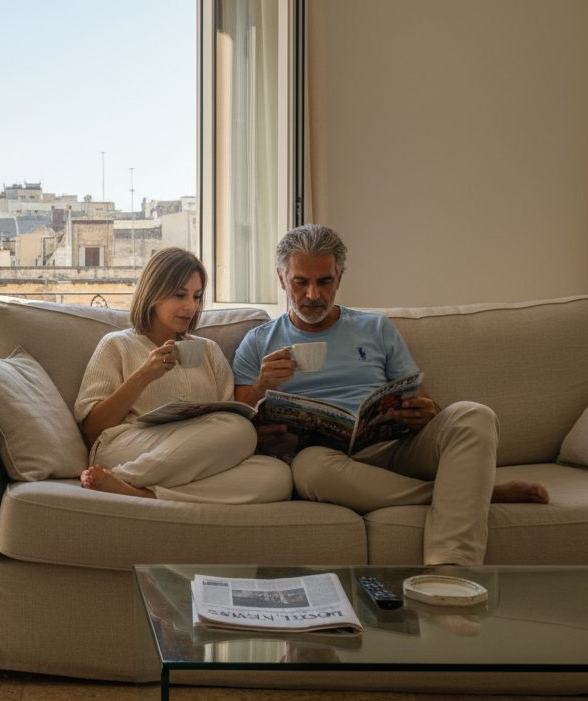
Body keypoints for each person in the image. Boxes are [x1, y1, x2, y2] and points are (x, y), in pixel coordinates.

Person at [232, 225, 548, 566]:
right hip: (329, 463)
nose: (313, 295)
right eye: (300, 282)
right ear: (282, 279)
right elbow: (237, 419)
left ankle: (451, 571)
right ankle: (471, 494)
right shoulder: (258, 342)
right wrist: (263, 386)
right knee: (308, 469)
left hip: (393, 449)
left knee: (475, 414)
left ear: (339, 278)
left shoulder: (376, 329)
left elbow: (426, 404)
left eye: (324, 281)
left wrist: (426, 412)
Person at [75, 247, 291, 503]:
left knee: (277, 475)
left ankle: (140, 491)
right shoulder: (116, 345)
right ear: (153, 293)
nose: (190, 306)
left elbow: (231, 418)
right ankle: (129, 476)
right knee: (238, 430)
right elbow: (92, 429)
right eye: (179, 295)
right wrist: (143, 375)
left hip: (192, 451)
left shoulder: (208, 350)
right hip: (128, 446)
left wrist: (263, 385)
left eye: (197, 296)